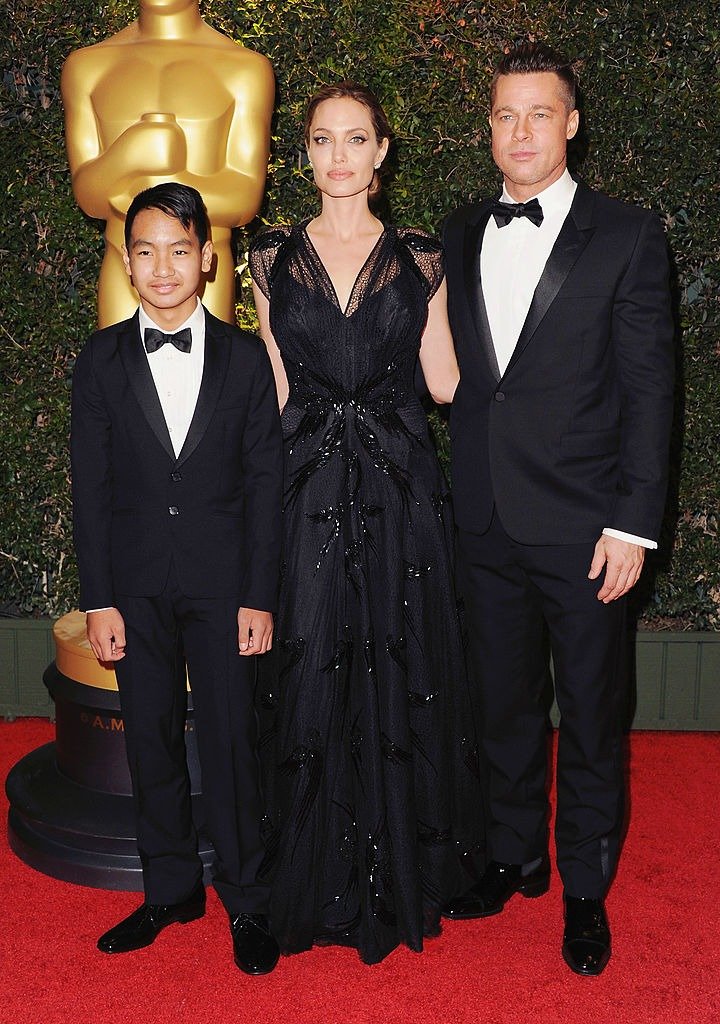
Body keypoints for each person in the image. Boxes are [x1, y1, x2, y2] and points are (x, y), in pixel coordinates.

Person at [441, 42, 674, 975]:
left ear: (572, 123)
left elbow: (652, 389)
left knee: (590, 712)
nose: (521, 132)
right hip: (485, 517)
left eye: (540, 114)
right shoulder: (459, 229)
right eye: (505, 115)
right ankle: (512, 857)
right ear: (490, 127)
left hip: (588, 528)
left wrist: (635, 521)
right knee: (500, 708)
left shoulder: (626, 233)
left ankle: (584, 887)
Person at [248, 83, 485, 964]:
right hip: (304, 486)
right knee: (308, 663)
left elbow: (448, 382)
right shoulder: (271, 257)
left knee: (403, 665)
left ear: (383, 152)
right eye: (321, 140)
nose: (338, 156)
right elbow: (271, 387)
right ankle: (309, 874)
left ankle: (398, 871)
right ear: (303, 153)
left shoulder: (421, 256)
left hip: (399, 491)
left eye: (355, 139)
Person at [71, 182, 283, 974]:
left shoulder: (245, 358)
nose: (164, 267)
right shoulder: (99, 361)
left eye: (180, 251)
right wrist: (99, 598)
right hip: (134, 588)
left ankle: (248, 898)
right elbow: (88, 491)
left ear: (208, 260)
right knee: (151, 740)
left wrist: (260, 593)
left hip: (226, 587)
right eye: (147, 252)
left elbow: (267, 484)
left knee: (232, 743)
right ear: (128, 265)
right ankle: (170, 889)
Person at [61, 0, 274, 326]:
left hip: (206, 267)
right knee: (119, 373)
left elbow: (245, 198)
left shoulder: (244, 68)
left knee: (213, 374)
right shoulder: (87, 67)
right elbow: (89, 197)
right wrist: (128, 154)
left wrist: (166, 180)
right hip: (124, 264)